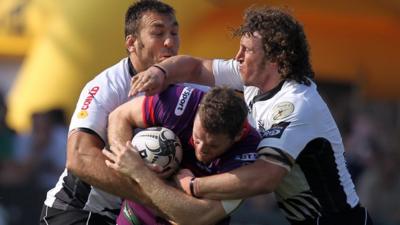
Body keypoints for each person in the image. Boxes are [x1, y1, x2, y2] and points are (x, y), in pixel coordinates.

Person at [128, 6, 374, 225]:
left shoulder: (296, 103)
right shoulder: (254, 80)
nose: (237, 57)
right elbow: (194, 68)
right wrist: (160, 72)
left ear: (275, 58)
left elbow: (265, 177)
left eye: (246, 50)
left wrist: (193, 185)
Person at [39, 1, 181, 224]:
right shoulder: (106, 85)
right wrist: (154, 196)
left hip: (130, 216)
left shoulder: (186, 88)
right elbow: (79, 158)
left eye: (174, 32)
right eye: (158, 33)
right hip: (76, 211)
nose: (170, 42)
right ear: (132, 43)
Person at [104, 85, 260, 225]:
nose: (201, 150)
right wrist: (128, 157)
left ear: (238, 136)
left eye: (213, 146)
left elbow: (199, 216)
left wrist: (141, 174)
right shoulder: (180, 102)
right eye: (197, 139)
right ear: (197, 112)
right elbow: (119, 116)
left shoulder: (249, 154)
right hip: (137, 215)